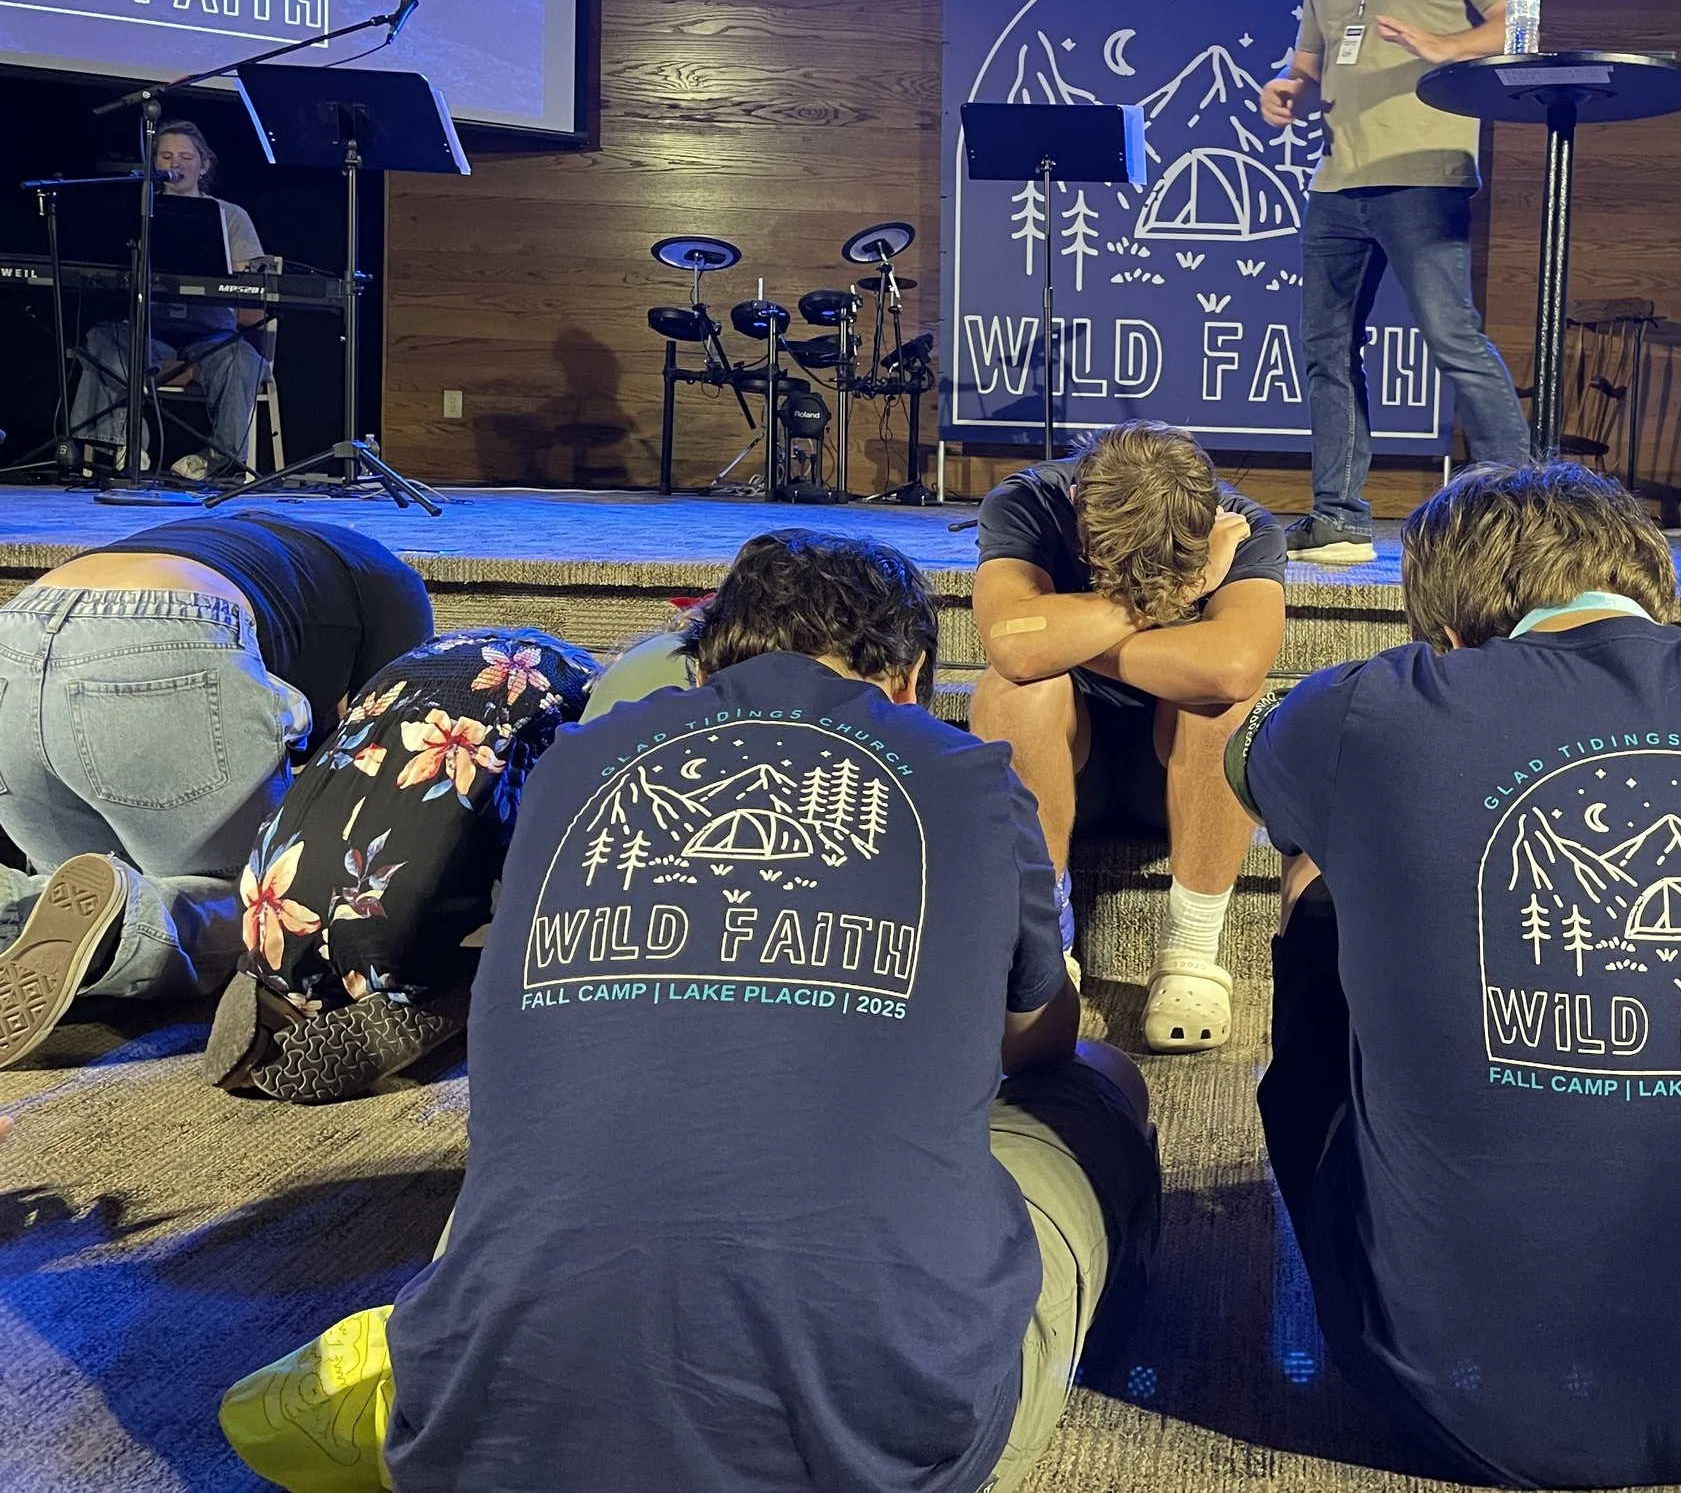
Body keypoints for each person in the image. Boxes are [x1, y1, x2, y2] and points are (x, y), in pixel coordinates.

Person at [220, 528, 1158, 1493]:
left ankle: (428, 1371)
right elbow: (1038, 1038)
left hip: (497, 1428)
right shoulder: (969, 775)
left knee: (577, 1149)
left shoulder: (574, 766)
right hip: (877, 1446)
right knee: (1098, 1083)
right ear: (910, 675)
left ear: (707, 658)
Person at [1230, 462, 1681, 1486]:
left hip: (1453, 1395)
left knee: (1319, 874)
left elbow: (1248, 770)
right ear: (1650, 584)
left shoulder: (1376, 706)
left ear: (1446, 629)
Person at [0, 513, 432, 1069]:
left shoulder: (248, 546)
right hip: (166, 637)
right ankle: (116, 929)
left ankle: (26, 910)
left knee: (65, 881)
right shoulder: (395, 585)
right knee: (270, 910)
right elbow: (379, 756)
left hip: (18, 626)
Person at [1259, 0, 1532, 565]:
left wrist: (1446, 45)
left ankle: (1529, 503)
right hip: (1337, 178)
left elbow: (1519, 23)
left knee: (1451, 335)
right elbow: (1308, 61)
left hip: (1423, 169)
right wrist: (1286, 86)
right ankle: (1339, 517)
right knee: (1326, 348)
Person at [972, 421, 1286, 1051]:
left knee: (1225, 699)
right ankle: (1042, 945)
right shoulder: (1031, 500)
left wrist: (1070, 639)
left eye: (1170, 567)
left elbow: (1233, 664)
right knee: (1017, 689)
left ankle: (1192, 954)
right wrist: (1169, 598)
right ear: (1078, 508)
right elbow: (1010, 644)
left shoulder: (1240, 524)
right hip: (1062, 763)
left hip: (1175, 774)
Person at [205, 627, 601, 1104]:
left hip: (270, 887)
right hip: (403, 908)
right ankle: (426, 989)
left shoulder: (428, 655)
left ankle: (278, 973)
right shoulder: (586, 690)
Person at [68, 120, 283, 478]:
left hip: (211, 334)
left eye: (186, 156)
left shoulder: (231, 216)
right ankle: (129, 445)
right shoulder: (139, 212)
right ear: (155, 164)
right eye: (167, 155)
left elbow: (254, 278)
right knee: (102, 340)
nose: (176, 163)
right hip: (150, 331)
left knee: (243, 359)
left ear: (204, 165)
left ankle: (220, 457)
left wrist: (239, 267)